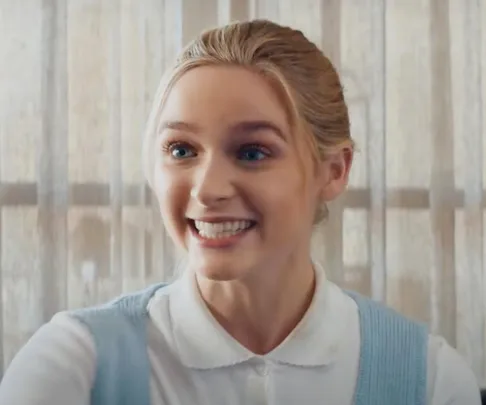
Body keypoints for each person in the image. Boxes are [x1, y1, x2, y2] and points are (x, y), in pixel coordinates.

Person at [0, 19, 481, 405]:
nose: (207, 190)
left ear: (333, 171)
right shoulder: (71, 369)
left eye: (252, 152)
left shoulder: (431, 381)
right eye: (182, 150)